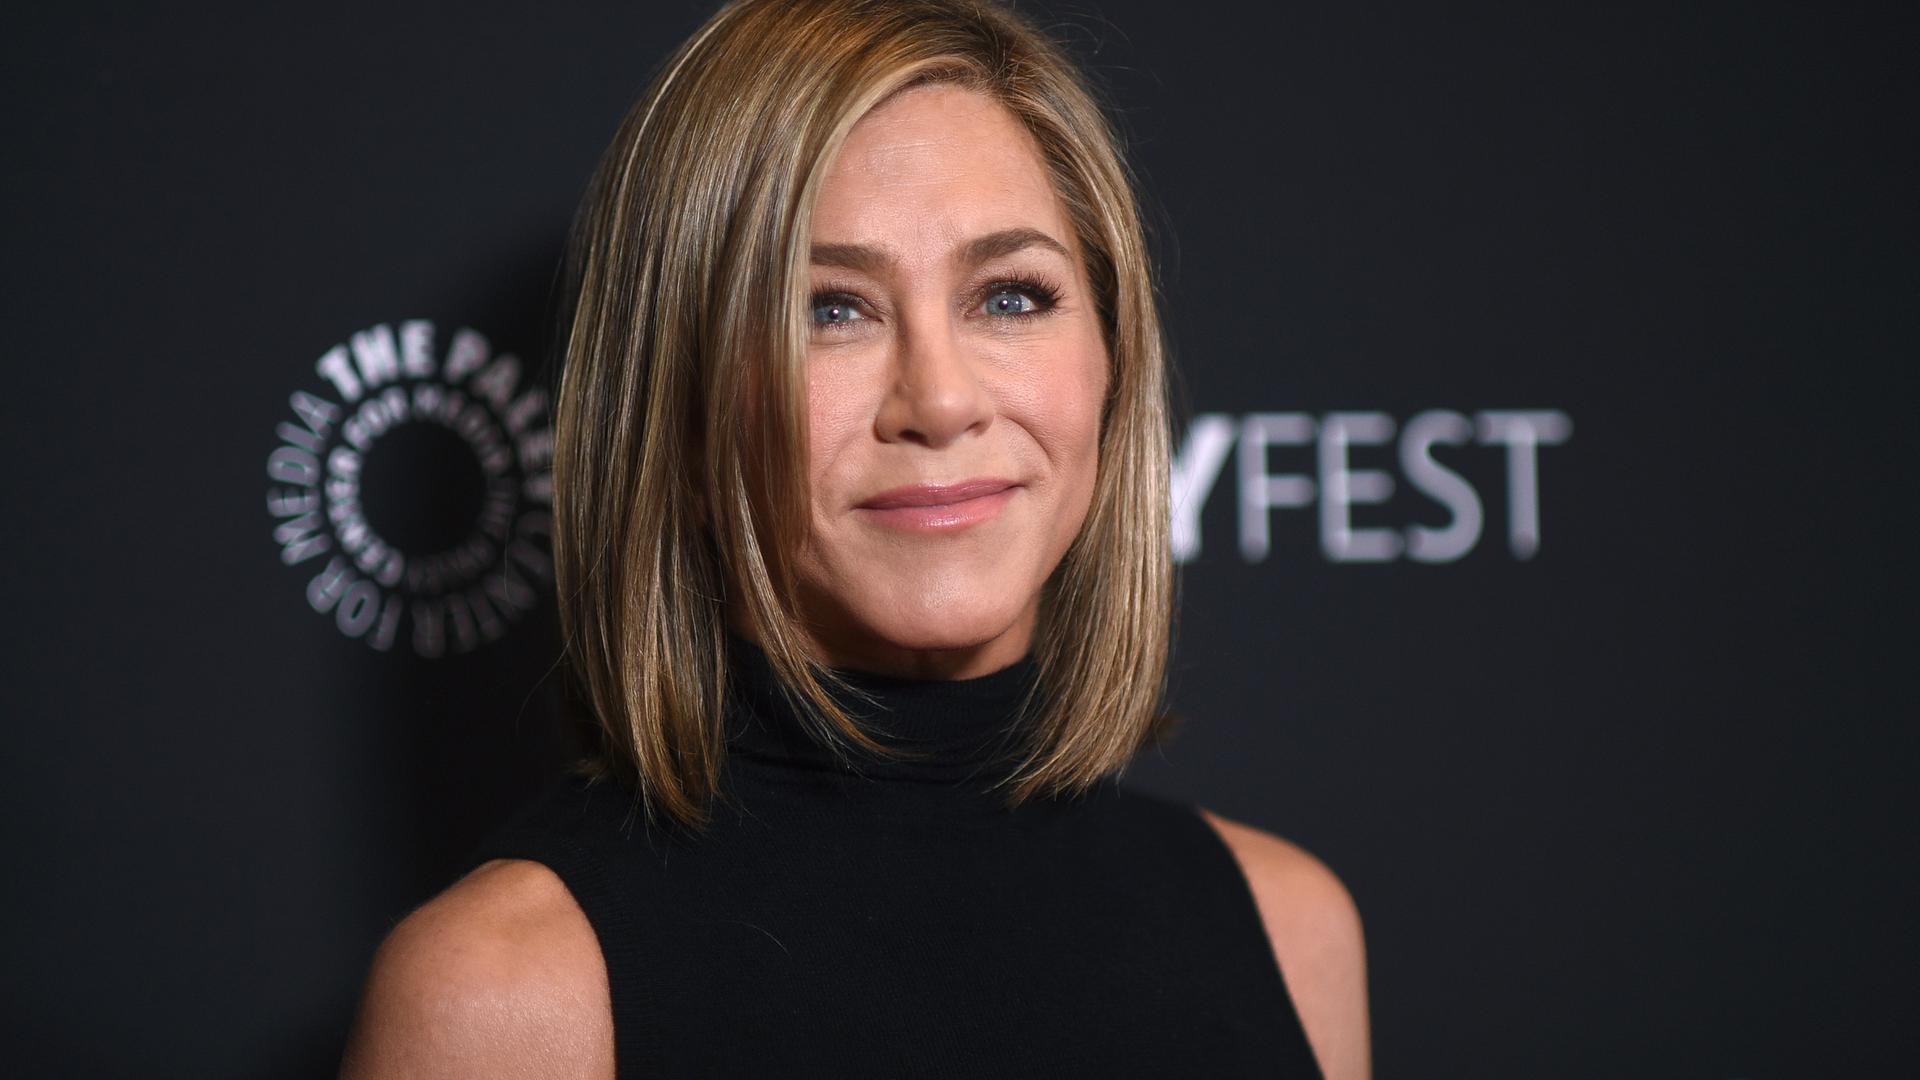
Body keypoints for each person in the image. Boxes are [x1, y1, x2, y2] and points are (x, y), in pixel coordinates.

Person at [339, 0, 1369, 1075]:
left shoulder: (1289, 929)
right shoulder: (505, 996)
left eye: (1010, 296)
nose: (940, 399)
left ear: (1111, 365)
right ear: (681, 412)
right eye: (828, 309)